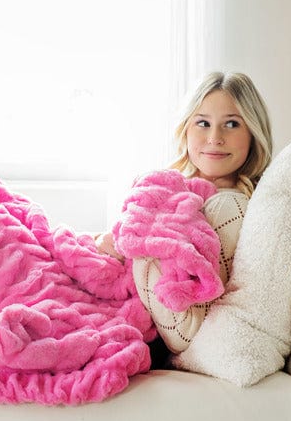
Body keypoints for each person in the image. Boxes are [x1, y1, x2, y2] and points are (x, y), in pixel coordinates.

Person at [94, 70, 274, 355]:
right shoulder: (167, 188)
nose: (215, 137)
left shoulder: (231, 207)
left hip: (132, 324)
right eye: (203, 123)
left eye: (231, 124)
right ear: (186, 129)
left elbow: (183, 332)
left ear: (253, 134)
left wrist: (131, 247)